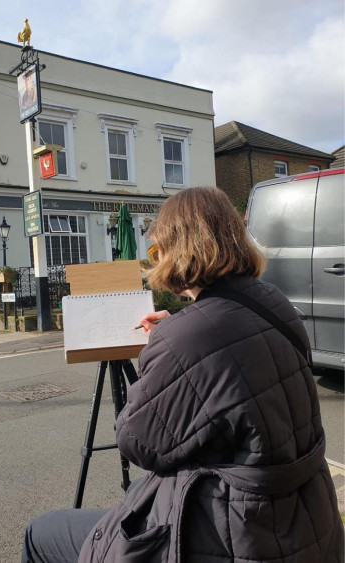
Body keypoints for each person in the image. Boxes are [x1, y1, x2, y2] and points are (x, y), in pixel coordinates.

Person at [21, 186, 343, 563]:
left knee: (41, 532)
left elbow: (138, 444)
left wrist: (166, 351)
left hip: (238, 531)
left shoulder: (186, 337)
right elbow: (234, 355)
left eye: (157, 251)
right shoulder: (276, 304)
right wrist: (179, 335)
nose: (155, 261)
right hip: (306, 515)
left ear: (178, 249)